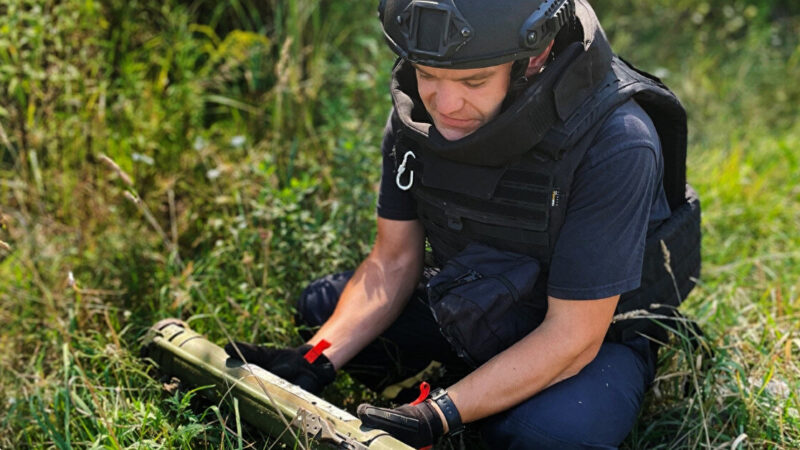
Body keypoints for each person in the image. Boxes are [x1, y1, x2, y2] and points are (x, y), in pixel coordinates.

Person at [226, 0, 701, 448]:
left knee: (551, 436)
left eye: (474, 82)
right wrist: (314, 358)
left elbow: (574, 336)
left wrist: (439, 415)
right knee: (320, 309)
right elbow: (393, 259)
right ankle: (480, 386)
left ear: (535, 58)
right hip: (477, 301)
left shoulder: (615, 142)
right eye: (429, 74)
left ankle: (491, 400)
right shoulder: (419, 112)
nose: (445, 103)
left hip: (586, 335)